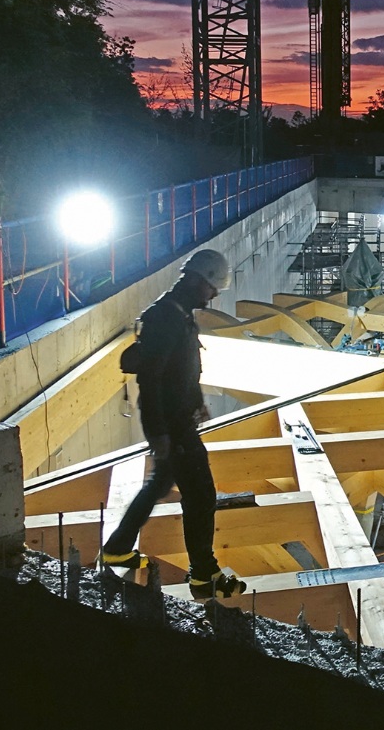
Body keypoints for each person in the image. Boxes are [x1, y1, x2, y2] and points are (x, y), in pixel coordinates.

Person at [100, 249, 245, 600]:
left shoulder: (176, 314)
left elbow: (180, 370)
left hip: (179, 419)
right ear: (198, 280)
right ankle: (203, 575)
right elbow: (151, 380)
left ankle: (118, 548)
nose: (213, 295)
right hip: (173, 425)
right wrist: (159, 433)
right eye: (212, 287)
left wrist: (196, 404)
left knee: (160, 483)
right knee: (201, 495)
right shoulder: (165, 318)